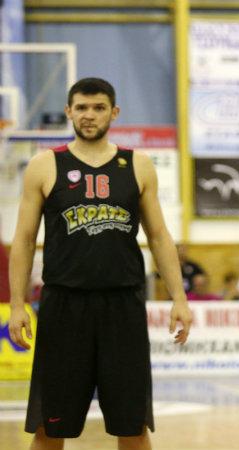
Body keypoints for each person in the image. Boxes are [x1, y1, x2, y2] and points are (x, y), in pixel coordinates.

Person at [7, 78, 192, 450]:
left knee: (133, 425)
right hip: (63, 305)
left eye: (98, 108)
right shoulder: (45, 165)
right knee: (50, 427)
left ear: (114, 112)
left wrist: (179, 298)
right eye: (81, 107)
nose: (89, 115)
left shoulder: (138, 164)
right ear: (69, 111)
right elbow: (24, 240)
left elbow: (159, 237)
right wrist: (16, 304)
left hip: (122, 305)